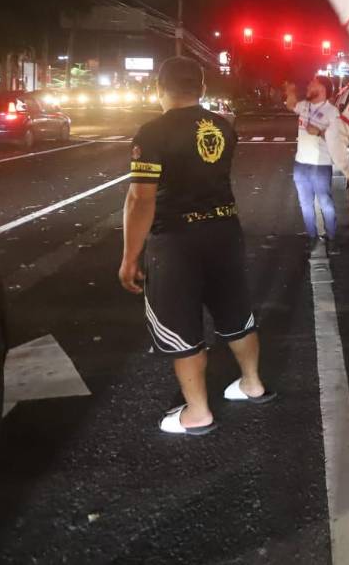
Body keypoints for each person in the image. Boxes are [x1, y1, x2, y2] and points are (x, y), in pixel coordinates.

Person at [119, 57, 272, 435]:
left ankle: (198, 412)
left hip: (176, 241)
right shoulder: (223, 126)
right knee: (236, 313)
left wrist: (130, 256)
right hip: (224, 233)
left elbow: (141, 199)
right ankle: (252, 384)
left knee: (181, 325)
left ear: (159, 89)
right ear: (202, 89)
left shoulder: (152, 133)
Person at [285, 75, 341, 255]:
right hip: (300, 163)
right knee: (305, 203)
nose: (308, 86)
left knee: (325, 202)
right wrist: (290, 91)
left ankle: (331, 237)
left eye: (312, 84)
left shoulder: (332, 112)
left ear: (322, 89)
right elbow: (290, 105)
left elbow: (337, 138)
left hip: (320, 164)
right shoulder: (304, 105)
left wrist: (319, 132)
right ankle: (312, 236)